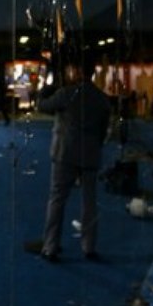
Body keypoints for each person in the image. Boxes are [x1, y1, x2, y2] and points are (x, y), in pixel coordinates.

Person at [38, 54, 113, 262]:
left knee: (57, 199)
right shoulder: (101, 99)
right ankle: (89, 246)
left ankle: (50, 246)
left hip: (65, 153)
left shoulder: (66, 94)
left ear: (77, 71)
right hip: (90, 154)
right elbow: (103, 130)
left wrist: (47, 86)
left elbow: (41, 105)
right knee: (90, 202)